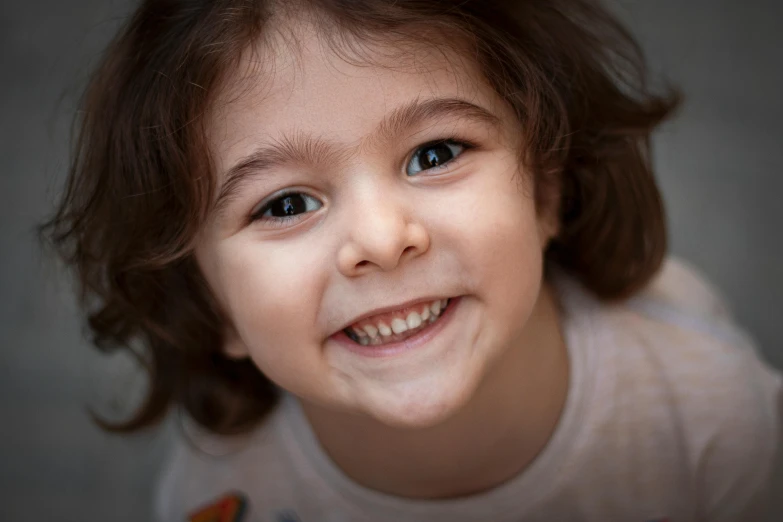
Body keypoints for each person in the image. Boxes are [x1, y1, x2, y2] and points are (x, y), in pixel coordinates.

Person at [43, 0, 782, 521]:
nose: (381, 238)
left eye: (434, 153)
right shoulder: (225, 490)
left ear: (546, 191)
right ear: (209, 305)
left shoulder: (713, 420)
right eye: (284, 204)